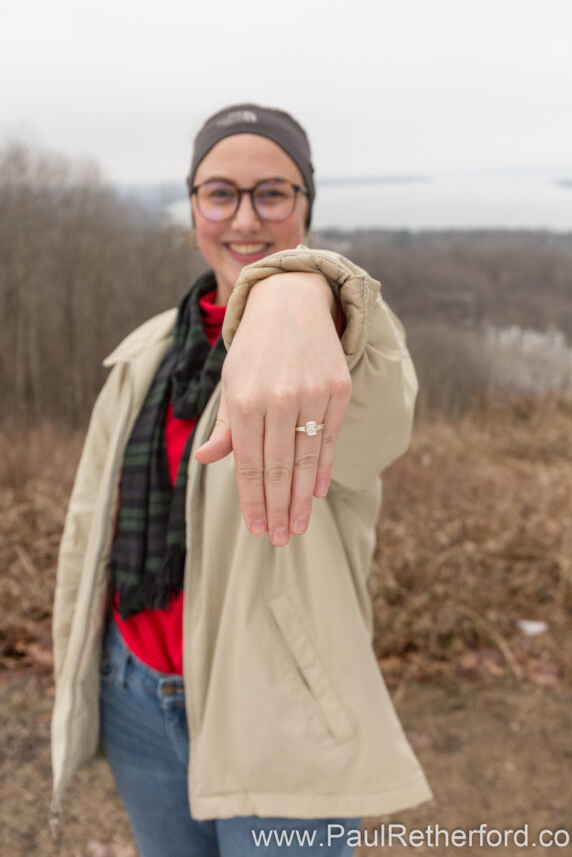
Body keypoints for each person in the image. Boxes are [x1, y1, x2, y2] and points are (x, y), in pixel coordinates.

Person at [51, 104, 432, 856]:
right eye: (220, 193)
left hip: (279, 707)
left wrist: (303, 288)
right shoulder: (145, 354)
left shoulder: (333, 354)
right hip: (134, 693)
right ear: (193, 205)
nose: (245, 219)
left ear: (307, 208)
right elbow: (90, 524)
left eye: (273, 194)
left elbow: (379, 423)